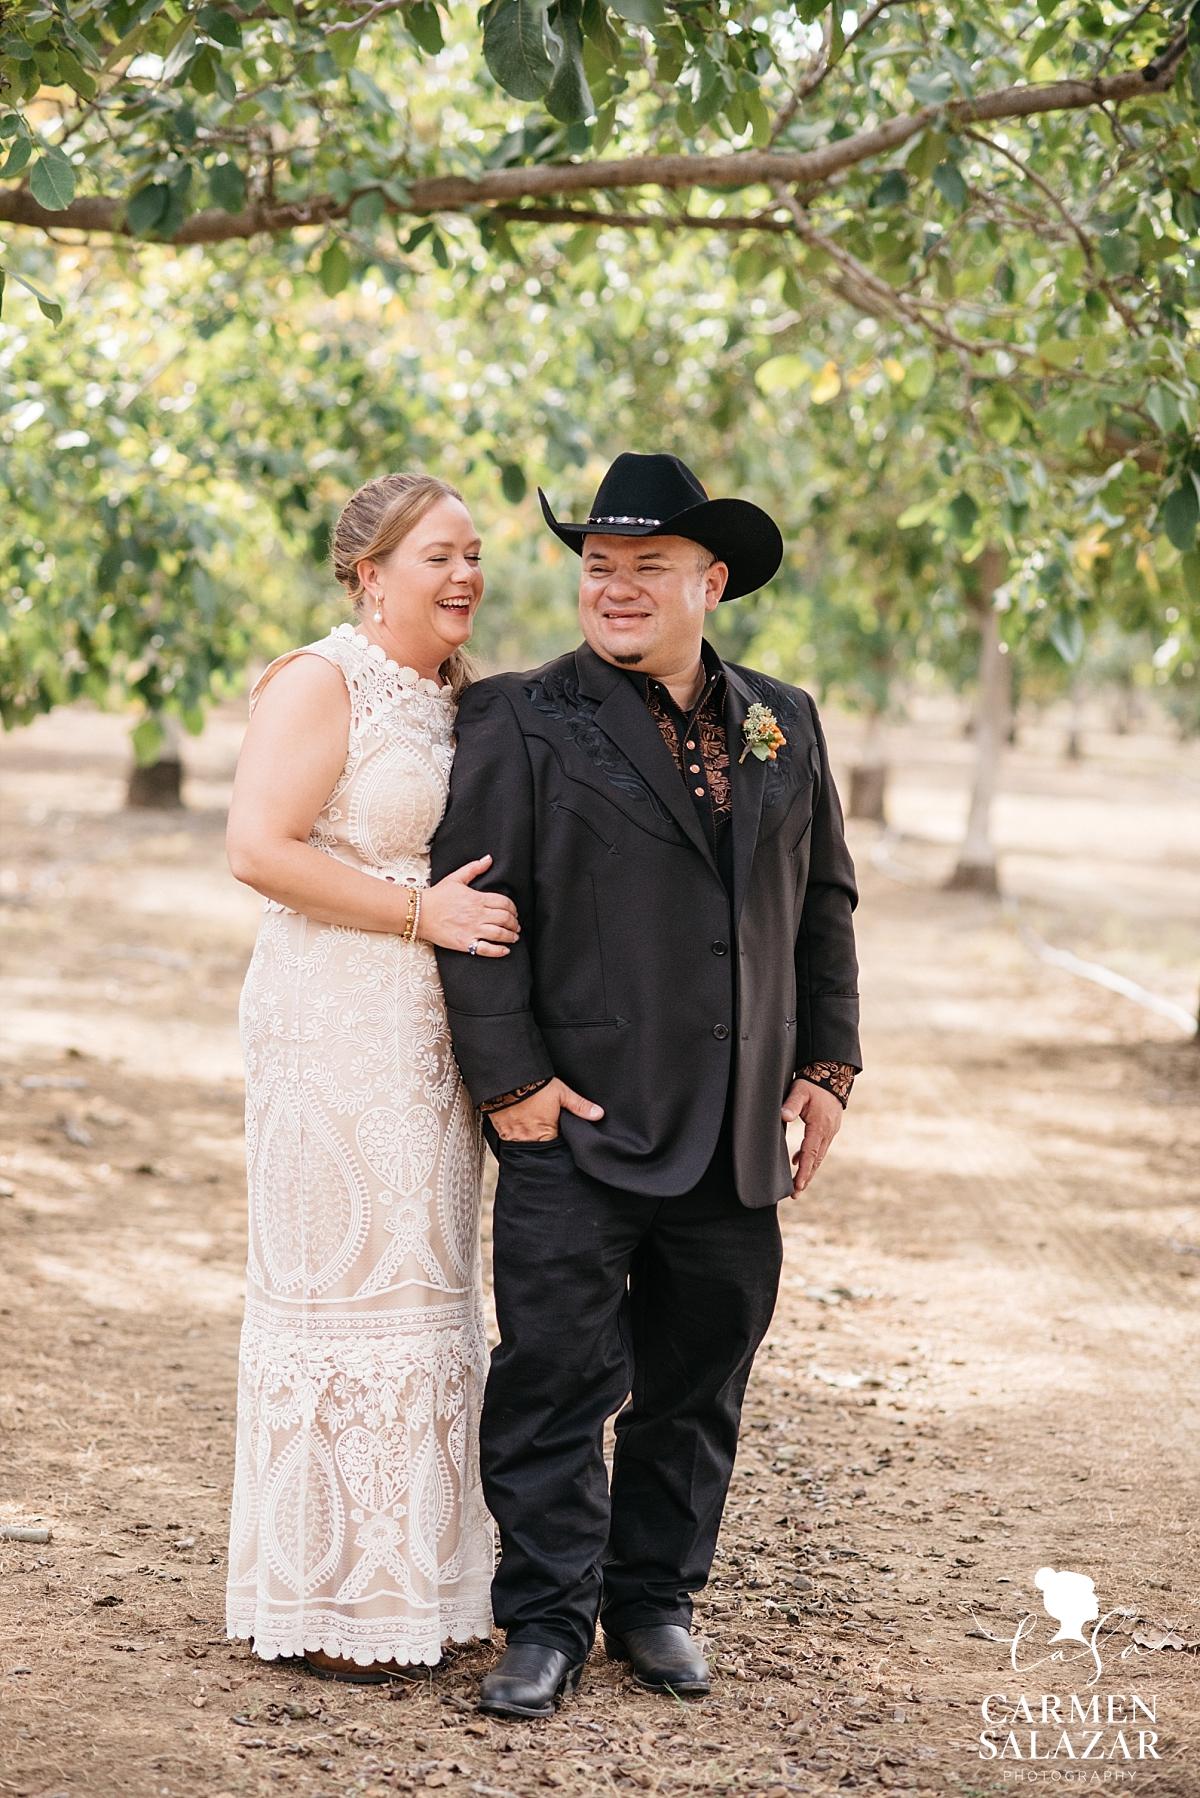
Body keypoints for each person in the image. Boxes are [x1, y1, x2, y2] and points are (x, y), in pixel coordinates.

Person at [432, 452, 861, 1718]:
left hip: (736, 1132)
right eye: (597, 567)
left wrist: (827, 1066)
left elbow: (823, 902)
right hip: (581, 1116)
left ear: (710, 581)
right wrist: (512, 1082)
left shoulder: (788, 718)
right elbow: (478, 907)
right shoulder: (517, 715)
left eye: (648, 569)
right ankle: (548, 1618)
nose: (616, 590)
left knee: (700, 1373)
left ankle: (655, 1599)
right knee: (555, 1373)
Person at [224, 472, 519, 1682]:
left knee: (423, 1292)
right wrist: (419, 915)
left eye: (473, 555)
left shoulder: (456, 698)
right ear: (368, 572)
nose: (464, 576)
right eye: (438, 556)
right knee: (338, 1291)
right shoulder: (321, 679)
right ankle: (318, 1591)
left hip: (428, 1036)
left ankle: (413, 1590)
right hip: (332, 1016)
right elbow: (256, 847)